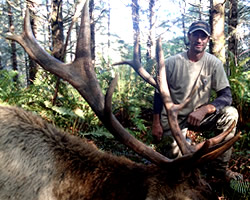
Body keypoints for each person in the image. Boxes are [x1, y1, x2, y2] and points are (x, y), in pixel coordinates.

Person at [152, 21, 242, 181]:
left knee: (231, 114)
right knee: (178, 165)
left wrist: (206, 109)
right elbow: (158, 94)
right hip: (174, 121)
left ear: (208, 40)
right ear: (189, 36)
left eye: (203, 36)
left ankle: (219, 171)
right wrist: (156, 122)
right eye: (196, 35)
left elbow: (226, 96)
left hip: (199, 117)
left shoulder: (213, 63)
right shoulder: (172, 63)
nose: (199, 40)